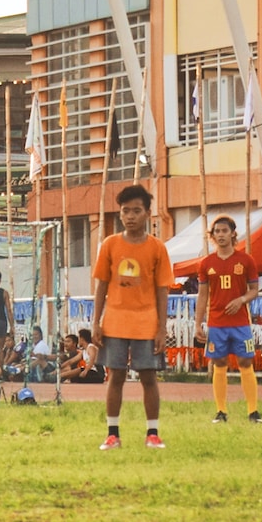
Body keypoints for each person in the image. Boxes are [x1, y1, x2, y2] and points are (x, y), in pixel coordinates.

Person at [91, 184, 174, 449]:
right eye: (125, 211)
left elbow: (163, 290)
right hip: (114, 321)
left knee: (149, 377)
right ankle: (112, 433)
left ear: (148, 213)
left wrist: (162, 327)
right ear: (120, 214)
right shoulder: (110, 244)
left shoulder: (158, 248)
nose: (130, 216)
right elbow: (101, 285)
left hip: (146, 322)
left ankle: (153, 433)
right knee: (115, 376)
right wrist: (95, 322)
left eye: (136, 211)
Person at [195, 214, 262, 425]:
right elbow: (203, 294)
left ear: (233, 233)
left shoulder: (246, 260)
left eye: (225, 231)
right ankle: (221, 411)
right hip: (216, 323)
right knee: (219, 363)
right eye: (217, 231)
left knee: (245, 362)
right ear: (212, 236)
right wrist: (198, 323)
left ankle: (253, 411)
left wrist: (241, 300)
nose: (221, 235)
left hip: (241, 323)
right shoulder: (206, 263)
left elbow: (254, 290)